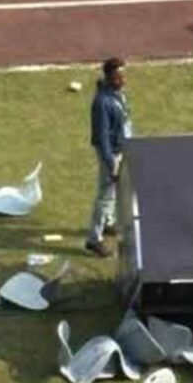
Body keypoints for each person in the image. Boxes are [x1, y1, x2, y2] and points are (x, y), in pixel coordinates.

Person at [87, 57, 132, 258]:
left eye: (123, 75)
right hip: (111, 153)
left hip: (120, 148)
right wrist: (110, 162)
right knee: (105, 196)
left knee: (113, 190)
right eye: (118, 76)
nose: (123, 79)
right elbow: (102, 136)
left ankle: (108, 222)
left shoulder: (116, 93)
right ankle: (93, 239)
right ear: (109, 77)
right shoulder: (102, 102)